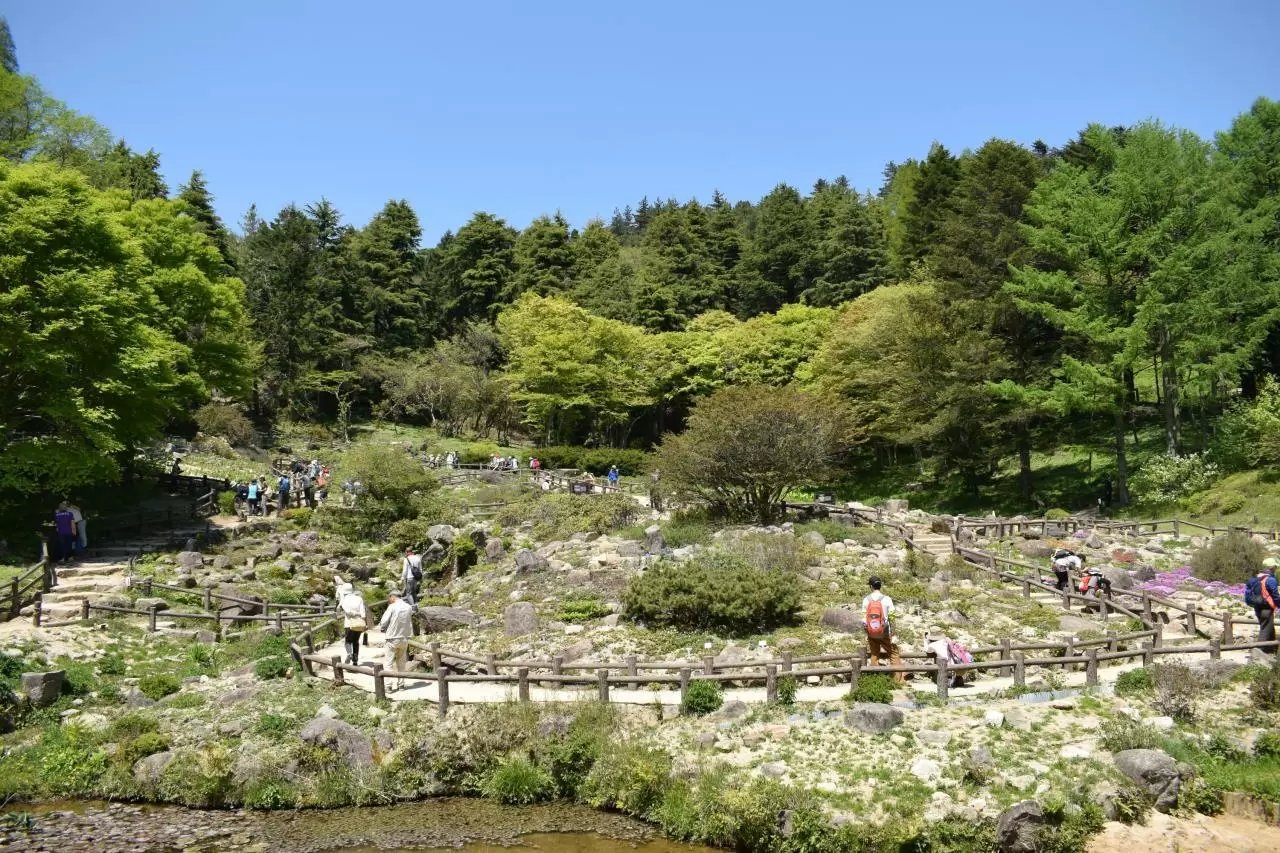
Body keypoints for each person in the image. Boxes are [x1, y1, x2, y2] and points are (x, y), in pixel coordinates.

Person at [861, 576, 905, 684]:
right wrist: (894, 634)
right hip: (885, 633)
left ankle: (876, 681)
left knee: (874, 654)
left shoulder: (866, 600)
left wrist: (867, 633)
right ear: (880, 585)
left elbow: (864, 621)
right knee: (894, 654)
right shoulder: (887, 599)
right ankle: (897, 681)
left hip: (872, 633)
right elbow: (892, 618)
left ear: (870, 586)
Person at [378, 589, 414, 690]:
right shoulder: (408, 607)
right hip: (404, 637)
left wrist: (383, 627)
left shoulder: (392, 606)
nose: (389, 600)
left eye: (389, 598)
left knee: (389, 662)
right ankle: (401, 684)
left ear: (393, 597)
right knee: (401, 662)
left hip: (392, 637)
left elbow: (384, 621)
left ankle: (388, 686)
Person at [335, 576, 370, 665]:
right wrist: (364, 623)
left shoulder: (344, 600)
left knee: (348, 641)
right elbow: (363, 612)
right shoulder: (359, 598)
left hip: (349, 623)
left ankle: (349, 654)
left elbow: (345, 611)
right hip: (359, 623)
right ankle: (355, 661)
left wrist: (352, 613)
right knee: (356, 642)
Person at [1246, 558, 1279, 645]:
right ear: (1272, 567)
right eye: (1275, 567)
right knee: (1265, 631)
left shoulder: (1256, 578)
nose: (1276, 569)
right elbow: (1275, 596)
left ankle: (1271, 650)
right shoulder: (1271, 580)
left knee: (1269, 628)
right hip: (1267, 608)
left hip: (1257, 607)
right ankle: (1257, 653)